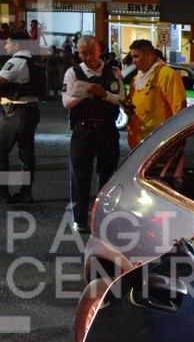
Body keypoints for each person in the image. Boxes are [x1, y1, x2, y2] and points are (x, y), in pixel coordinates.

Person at [63, 35, 124, 233]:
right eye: (83, 53)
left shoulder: (114, 72)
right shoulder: (73, 73)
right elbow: (66, 103)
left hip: (107, 129)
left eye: (92, 52)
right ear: (78, 52)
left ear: (99, 50)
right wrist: (85, 92)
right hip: (83, 130)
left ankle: (101, 219)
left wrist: (103, 94)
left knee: (107, 176)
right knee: (80, 177)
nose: (88, 57)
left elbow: (122, 100)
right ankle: (80, 220)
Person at [0, 36, 42, 202]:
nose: (6, 46)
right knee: (26, 152)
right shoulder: (34, 60)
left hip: (15, 111)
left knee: (2, 151)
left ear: (17, 45)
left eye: (9, 43)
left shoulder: (16, 61)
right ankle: (26, 192)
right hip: (32, 110)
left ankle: (3, 192)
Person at [125, 39, 187, 149]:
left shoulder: (167, 75)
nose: (133, 61)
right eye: (132, 57)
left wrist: (176, 140)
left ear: (149, 55)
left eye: (136, 56)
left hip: (158, 144)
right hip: (138, 145)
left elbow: (179, 109)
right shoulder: (136, 80)